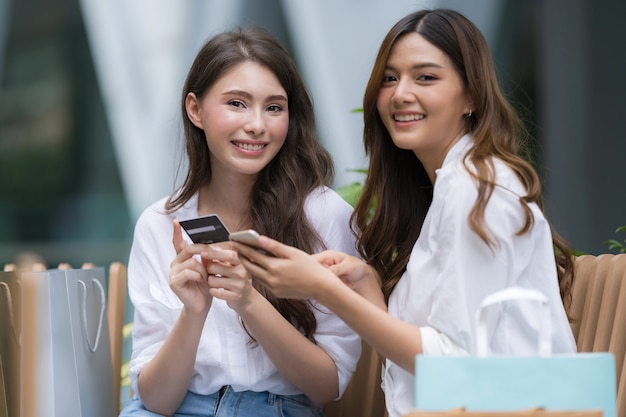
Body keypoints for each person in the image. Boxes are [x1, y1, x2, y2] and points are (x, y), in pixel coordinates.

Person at [232, 9, 577, 417]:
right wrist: (366, 289)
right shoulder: (451, 187)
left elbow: (452, 367)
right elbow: (430, 354)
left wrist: (328, 293)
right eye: (390, 78)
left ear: (471, 96)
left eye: (425, 77)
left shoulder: (478, 189)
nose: (400, 94)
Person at [118, 27, 361, 417]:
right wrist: (193, 313)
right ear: (195, 109)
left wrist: (248, 300)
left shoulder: (323, 215)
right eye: (236, 103)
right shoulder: (159, 224)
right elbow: (156, 401)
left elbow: (325, 387)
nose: (257, 125)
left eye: (274, 107)